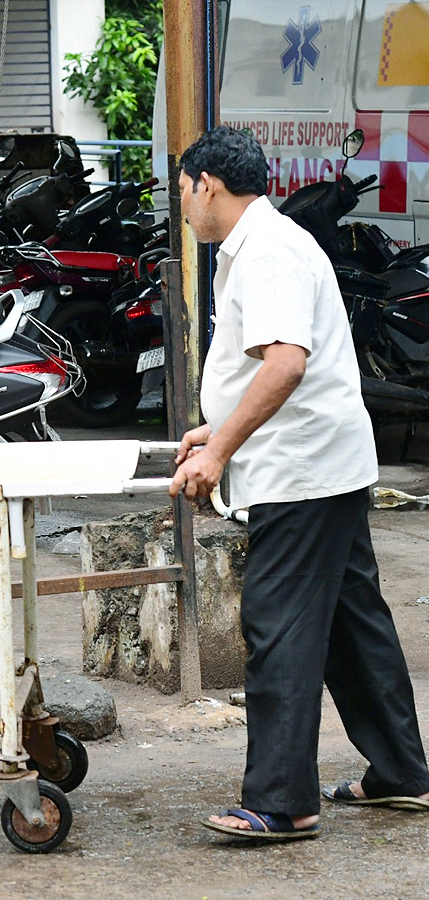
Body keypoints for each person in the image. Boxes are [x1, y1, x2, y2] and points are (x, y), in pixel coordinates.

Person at [169, 125, 429, 841]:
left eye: (184, 190)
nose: (183, 204)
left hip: (302, 474)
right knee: (354, 626)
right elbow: (265, 367)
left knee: (280, 626)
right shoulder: (255, 246)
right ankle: (402, 774)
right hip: (322, 464)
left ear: (208, 186)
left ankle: (282, 801)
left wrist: (218, 449)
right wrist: (214, 427)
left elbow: (285, 363)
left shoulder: (270, 252)